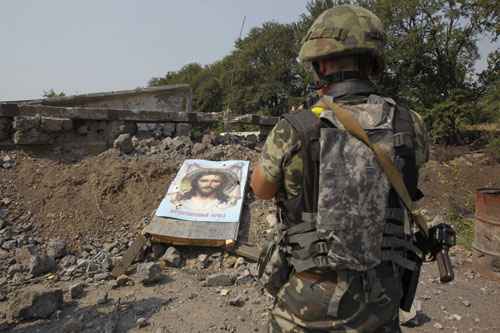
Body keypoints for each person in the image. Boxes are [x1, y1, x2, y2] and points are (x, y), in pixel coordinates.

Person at [251, 5, 429, 333]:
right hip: (381, 296)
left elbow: (261, 189)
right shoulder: (409, 123)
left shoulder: (296, 127)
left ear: (323, 64)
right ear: (373, 62)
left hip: (308, 300)